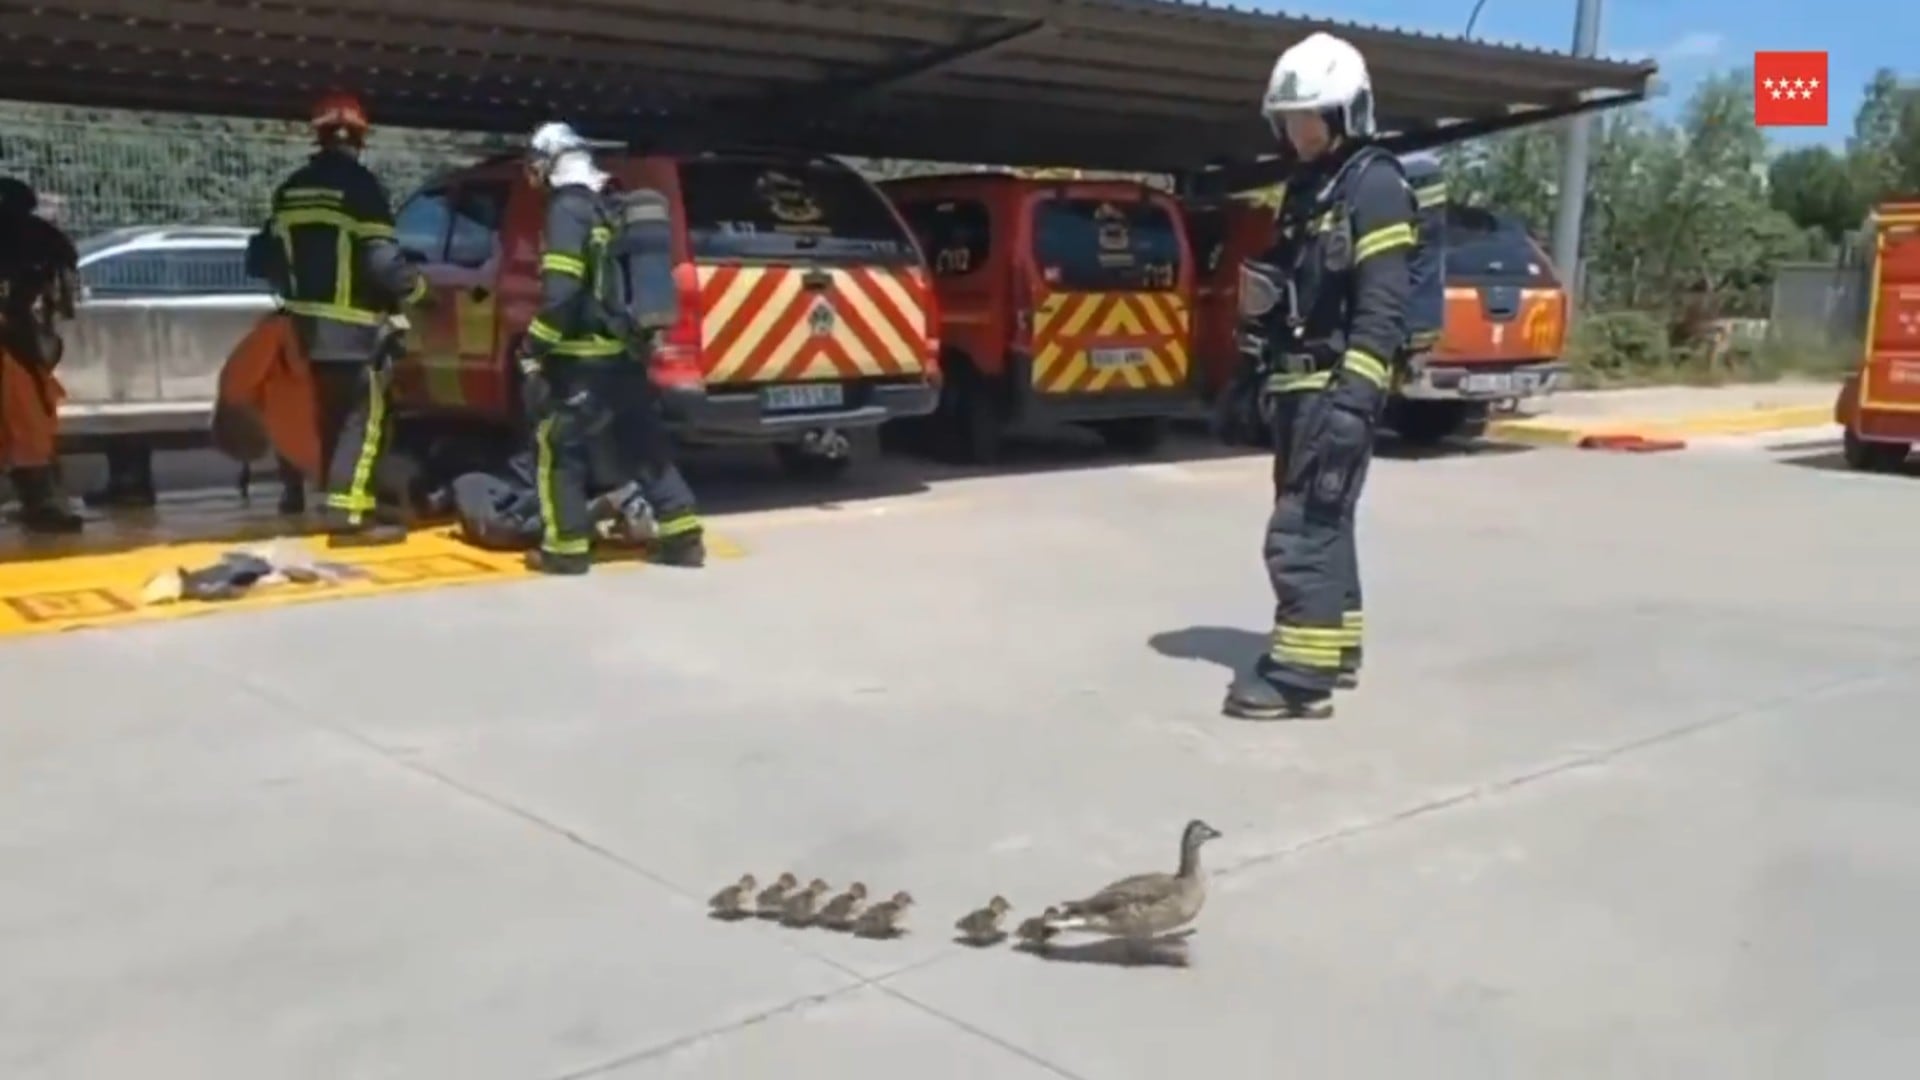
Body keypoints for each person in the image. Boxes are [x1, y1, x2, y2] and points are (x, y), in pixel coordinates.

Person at [1223, 32, 1415, 721]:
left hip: (1336, 388)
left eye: (1310, 118)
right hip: (1301, 385)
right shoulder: (1311, 188)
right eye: (1290, 120)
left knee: (1302, 527)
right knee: (1328, 520)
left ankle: (1300, 679)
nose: (1298, 132)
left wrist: (1355, 398)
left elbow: (1383, 300)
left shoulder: (1375, 184)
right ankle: (1339, 649)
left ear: (1346, 114)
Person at [516, 121, 703, 575]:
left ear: (548, 161)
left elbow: (561, 290)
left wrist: (533, 345)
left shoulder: (567, 209)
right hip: (625, 353)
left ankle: (565, 549)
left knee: (557, 445)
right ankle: (684, 538)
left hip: (581, 359)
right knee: (643, 444)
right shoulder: (611, 203)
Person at [249, 89, 426, 546]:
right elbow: (383, 264)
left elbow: (261, 258)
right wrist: (418, 290)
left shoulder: (289, 189)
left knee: (326, 416)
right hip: (353, 329)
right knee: (362, 419)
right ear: (360, 138)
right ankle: (348, 518)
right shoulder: (361, 188)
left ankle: (329, 499)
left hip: (300, 329)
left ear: (320, 134)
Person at [0, 176, 83, 533]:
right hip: (17, 341)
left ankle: (43, 500)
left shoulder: (36, 238)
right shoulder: (43, 237)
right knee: (28, 422)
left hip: (16, 341)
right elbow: (60, 299)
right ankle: (43, 501)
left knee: (25, 421)